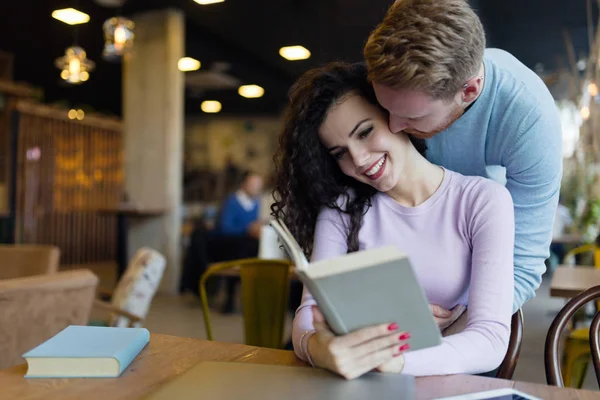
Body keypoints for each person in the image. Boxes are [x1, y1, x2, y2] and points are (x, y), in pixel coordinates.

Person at [272, 62, 514, 379]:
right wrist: (321, 350)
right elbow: (308, 313)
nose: (358, 159)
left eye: (365, 132)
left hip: (450, 384)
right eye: (339, 153)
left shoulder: (481, 200)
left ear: (395, 115)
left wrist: (398, 360)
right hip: (364, 384)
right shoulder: (342, 209)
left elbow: (491, 340)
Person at [363, 0, 562, 320]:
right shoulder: (397, 91)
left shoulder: (530, 122)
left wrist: (462, 316)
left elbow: (522, 266)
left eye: (412, 116)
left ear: (469, 90)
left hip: (473, 287)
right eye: (385, 108)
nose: (393, 127)